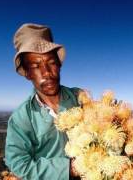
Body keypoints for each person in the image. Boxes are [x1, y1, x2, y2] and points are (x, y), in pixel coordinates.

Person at [5, 23, 81, 180]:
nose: (47, 73)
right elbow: (19, 164)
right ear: (27, 73)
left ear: (59, 65)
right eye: (36, 66)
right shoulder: (21, 118)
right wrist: (68, 169)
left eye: (51, 63)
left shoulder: (80, 98)